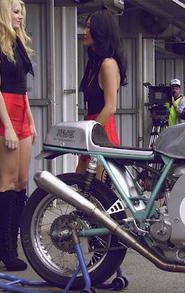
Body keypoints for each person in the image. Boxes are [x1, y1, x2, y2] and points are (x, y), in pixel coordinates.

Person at [0, 0, 36, 271]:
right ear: (3, 13)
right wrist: (9, 126)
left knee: (22, 181)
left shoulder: (18, 44)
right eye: (15, 11)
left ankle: (7, 246)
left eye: (21, 12)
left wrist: (31, 121)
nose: (20, 16)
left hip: (21, 113)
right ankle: (5, 248)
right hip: (3, 116)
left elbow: (23, 89)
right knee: (8, 180)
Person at [76, 10, 127, 176]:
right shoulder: (94, 64)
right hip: (93, 127)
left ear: (101, 32)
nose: (84, 32)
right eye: (86, 27)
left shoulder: (108, 64)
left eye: (90, 28)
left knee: (96, 191)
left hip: (101, 130)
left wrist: (90, 133)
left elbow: (111, 107)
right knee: (81, 185)